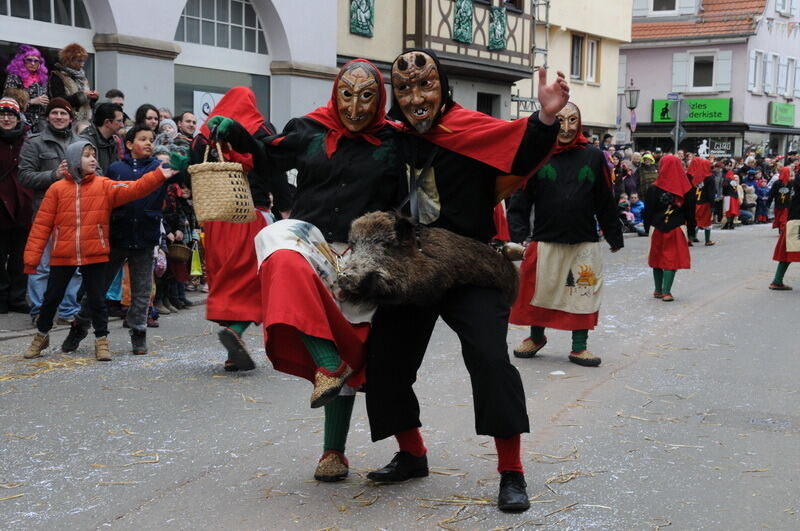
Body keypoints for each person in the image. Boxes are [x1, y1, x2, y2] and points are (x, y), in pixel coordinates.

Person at [363, 49, 566, 513]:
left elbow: (522, 148)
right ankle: (412, 454)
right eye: (405, 88)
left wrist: (547, 117)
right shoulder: (390, 140)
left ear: (444, 86)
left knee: (491, 360)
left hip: (471, 263)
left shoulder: (470, 128)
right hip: (411, 265)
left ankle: (511, 471)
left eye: (426, 84)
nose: (416, 97)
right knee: (386, 359)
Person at [210, 63, 403, 482]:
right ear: (335, 93)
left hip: (362, 251)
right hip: (312, 238)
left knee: (354, 338)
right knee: (279, 245)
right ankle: (324, 361)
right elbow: (269, 156)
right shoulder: (309, 128)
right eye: (347, 94)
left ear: (380, 98)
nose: (354, 106)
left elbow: (414, 196)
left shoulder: (394, 141)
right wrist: (237, 134)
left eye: (366, 96)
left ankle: (333, 451)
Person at [21, 140, 175, 360]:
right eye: (87, 155)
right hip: (62, 254)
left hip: (95, 252)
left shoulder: (104, 185)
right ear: (75, 160)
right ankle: (41, 336)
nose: (93, 159)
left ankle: (101, 340)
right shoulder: (56, 189)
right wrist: (31, 259)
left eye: (94, 155)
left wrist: (159, 175)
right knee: (51, 299)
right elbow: (41, 226)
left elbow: (135, 188)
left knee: (97, 299)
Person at [507, 101, 623, 369]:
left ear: (579, 123)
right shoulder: (538, 154)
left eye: (573, 120)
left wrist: (614, 235)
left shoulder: (593, 156)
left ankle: (579, 347)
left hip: (584, 241)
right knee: (538, 290)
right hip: (545, 238)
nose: (567, 127)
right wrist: (519, 234)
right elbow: (520, 199)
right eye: (560, 120)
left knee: (582, 291)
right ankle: (536, 338)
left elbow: (605, 199)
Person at [60, 126, 188, 356]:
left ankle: (138, 333)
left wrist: (182, 163)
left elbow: (184, 174)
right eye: (142, 139)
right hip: (117, 236)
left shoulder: (160, 168)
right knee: (98, 288)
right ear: (129, 145)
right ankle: (79, 326)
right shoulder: (116, 169)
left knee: (141, 290)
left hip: (146, 236)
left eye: (150, 139)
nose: (148, 143)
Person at [18, 97, 81, 324]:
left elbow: (97, 172)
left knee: (74, 268)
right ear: (47, 117)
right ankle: (39, 312)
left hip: (75, 215)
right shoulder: (34, 142)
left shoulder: (80, 142)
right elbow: (24, 176)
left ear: (70, 118)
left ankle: (68, 312)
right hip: (45, 214)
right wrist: (53, 175)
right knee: (42, 266)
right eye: (54, 113)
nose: (59, 117)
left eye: (63, 114)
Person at [643, 155, 694, 302]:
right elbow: (690, 212)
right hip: (676, 227)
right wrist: (691, 230)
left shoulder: (653, 188)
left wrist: (648, 228)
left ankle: (658, 290)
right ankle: (667, 292)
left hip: (657, 226)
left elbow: (648, 211)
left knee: (657, 257)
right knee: (671, 258)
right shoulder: (686, 188)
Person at [0, 97, 34, 314]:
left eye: (10, 114)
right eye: (2, 114)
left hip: (23, 204)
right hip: (0, 205)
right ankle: (1, 297)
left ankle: (18, 297)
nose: (5, 118)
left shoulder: (28, 139)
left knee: (21, 255)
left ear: (17, 116)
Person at [3, 45, 49, 131]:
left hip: (39, 124)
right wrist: (31, 101)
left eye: (36, 61)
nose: (33, 63)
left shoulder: (42, 78)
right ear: (22, 61)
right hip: (20, 121)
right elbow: (8, 102)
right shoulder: (14, 77)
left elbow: (44, 99)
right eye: (29, 60)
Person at [768, 164, 800, 290]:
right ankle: (777, 280)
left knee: (789, 250)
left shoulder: (796, 180)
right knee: (789, 250)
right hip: (796, 219)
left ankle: (777, 280)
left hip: (793, 219)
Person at [48, 43, 98, 123]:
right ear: (69, 60)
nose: (82, 65)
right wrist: (82, 95)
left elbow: (87, 105)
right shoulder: (58, 75)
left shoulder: (82, 77)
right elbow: (58, 100)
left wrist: (93, 98)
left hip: (85, 121)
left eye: (83, 61)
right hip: (66, 120)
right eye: (79, 61)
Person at [78, 102, 123, 175]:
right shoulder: (85, 142)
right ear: (107, 122)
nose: (122, 125)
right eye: (119, 121)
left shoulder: (113, 141)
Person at [686, 157, 716, 246]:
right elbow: (711, 193)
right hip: (705, 202)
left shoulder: (697, 177)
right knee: (707, 221)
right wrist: (713, 205)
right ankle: (707, 240)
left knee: (695, 220)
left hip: (696, 201)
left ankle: (690, 238)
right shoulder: (710, 178)